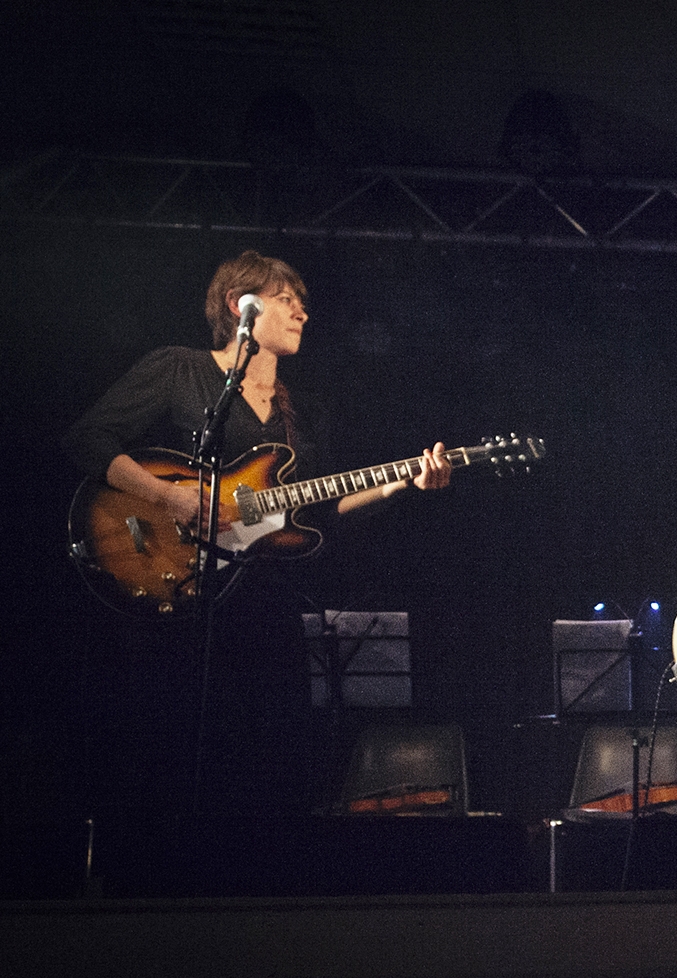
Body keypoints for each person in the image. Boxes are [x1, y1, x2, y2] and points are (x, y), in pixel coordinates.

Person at [62, 249, 453, 813]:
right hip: (177, 592)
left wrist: (401, 484)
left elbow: (322, 510)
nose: (302, 313)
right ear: (239, 304)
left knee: (267, 764)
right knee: (171, 754)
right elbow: (88, 440)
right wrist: (169, 495)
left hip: (262, 602)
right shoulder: (180, 368)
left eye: (303, 303)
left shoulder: (302, 412)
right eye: (286, 299)